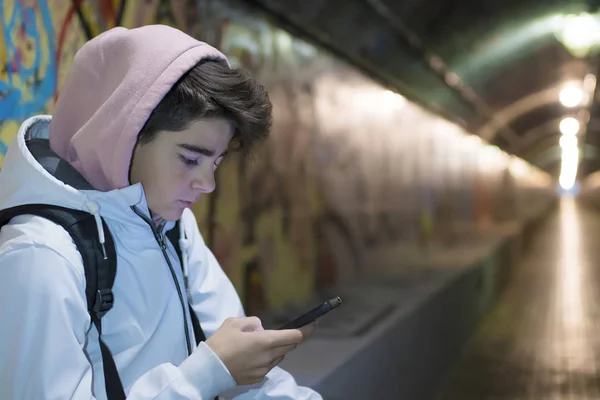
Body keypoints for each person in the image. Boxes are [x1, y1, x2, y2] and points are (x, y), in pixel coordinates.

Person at [0, 24, 321, 399]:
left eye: (215, 163)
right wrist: (205, 376)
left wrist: (231, 369)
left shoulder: (171, 224)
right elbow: (220, 368)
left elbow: (241, 366)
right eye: (189, 158)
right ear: (121, 135)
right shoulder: (39, 256)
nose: (207, 183)